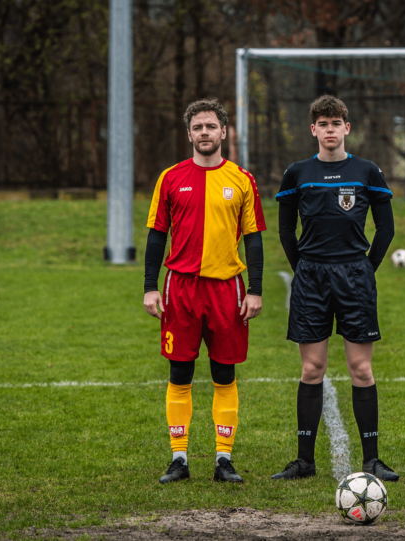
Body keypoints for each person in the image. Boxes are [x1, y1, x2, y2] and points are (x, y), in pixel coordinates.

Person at [271, 95, 398, 482]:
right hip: (312, 276)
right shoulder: (297, 173)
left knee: (361, 368)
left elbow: (386, 228)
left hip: (354, 275)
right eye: (323, 124)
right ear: (313, 129)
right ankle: (304, 462)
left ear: (347, 128)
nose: (330, 130)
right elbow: (285, 230)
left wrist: (367, 268)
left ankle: (372, 460)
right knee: (312, 368)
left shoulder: (366, 171)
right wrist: (303, 269)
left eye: (335, 123)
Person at [143, 98, 266, 484]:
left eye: (211, 126)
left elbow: (254, 239)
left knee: (224, 373)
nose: (204, 133)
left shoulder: (242, 179)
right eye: (197, 127)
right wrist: (149, 287)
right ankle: (178, 459)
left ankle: (223, 460)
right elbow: (156, 235)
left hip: (227, 289)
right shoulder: (170, 178)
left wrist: (255, 290)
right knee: (179, 372)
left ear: (223, 131)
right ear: (189, 134)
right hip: (180, 288)